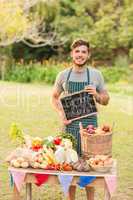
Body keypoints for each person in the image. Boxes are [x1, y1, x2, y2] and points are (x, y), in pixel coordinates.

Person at [51, 39, 110, 200]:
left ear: (88, 55)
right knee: (69, 168)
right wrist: (61, 114)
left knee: (90, 168)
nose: (80, 55)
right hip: (69, 129)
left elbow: (106, 99)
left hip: (90, 129)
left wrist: (97, 95)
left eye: (84, 52)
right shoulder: (63, 75)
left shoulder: (96, 75)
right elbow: (54, 97)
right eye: (77, 51)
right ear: (72, 54)